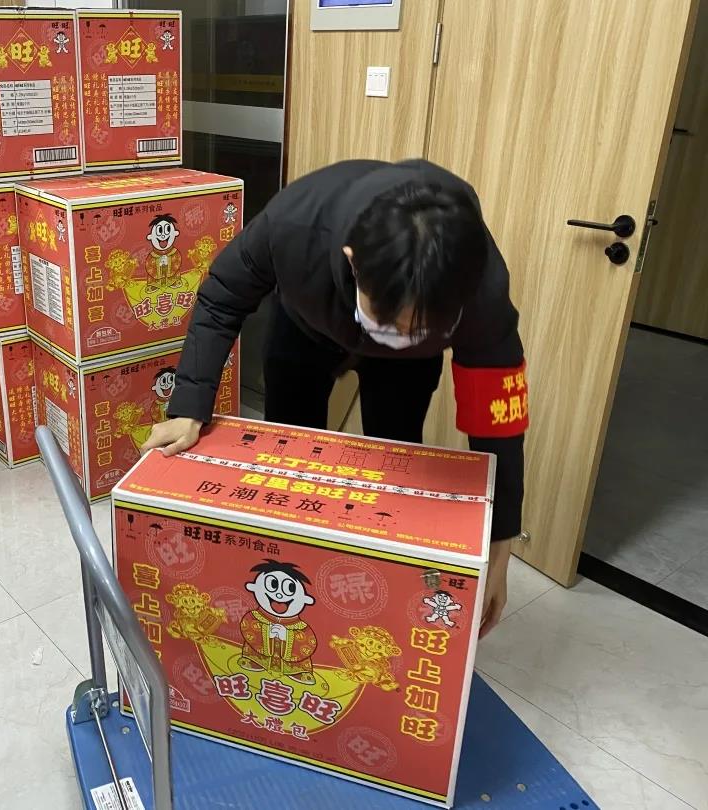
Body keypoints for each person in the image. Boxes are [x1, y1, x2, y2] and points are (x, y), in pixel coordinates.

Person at [141, 158, 528, 638]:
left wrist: (501, 540)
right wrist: (188, 405)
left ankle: (375, 594)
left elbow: (497, 411)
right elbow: (222, 297)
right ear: (353, 260)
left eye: (419, 326)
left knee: (395, 462)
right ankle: (288, 581)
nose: (397, 333)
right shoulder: (293, 224)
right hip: (306, 328)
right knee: (291, 463)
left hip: (407, 368)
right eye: (391, 322)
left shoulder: (479, 284)